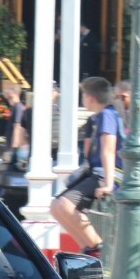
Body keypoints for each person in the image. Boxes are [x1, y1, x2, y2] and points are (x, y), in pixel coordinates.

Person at [48, 77, 122, 255]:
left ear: (89, 97)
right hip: (95, 173)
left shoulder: (107, 115)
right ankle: (87, 248)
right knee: (56, 207)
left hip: (106, 174)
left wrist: (108, 183)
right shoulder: (99, 117)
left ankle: (96, 246)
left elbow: (109, 150)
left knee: (65, 205)